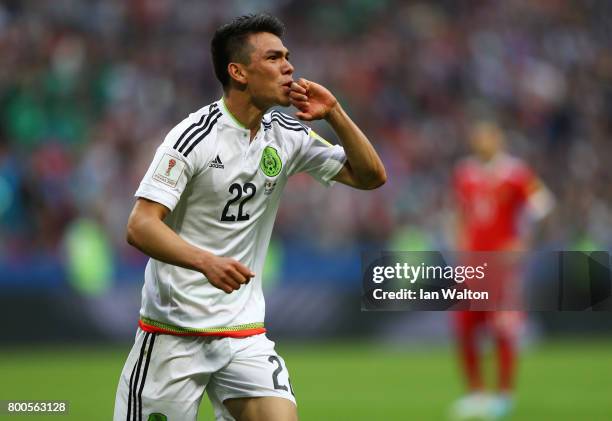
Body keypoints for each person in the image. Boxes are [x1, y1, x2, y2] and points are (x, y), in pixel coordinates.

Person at [113, 13, 386, 421]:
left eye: (287, 56)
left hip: (243, 334)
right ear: (238, 72)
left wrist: (335, 113)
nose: (289, 67)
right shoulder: (194, 137)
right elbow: (140, 224)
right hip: (173, 333)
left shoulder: (286, 134)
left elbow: (370, 177)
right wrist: (206, 261)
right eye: (274, 58)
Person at [450, 121, 554, 420]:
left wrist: (523, 243)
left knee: (503, 329)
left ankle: (505, 395)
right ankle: (475, 393)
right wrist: (461, 247)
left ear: (498, 140)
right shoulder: (465, 173)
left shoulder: (516, 173)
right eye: (477, 136)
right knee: (466, 326)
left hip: (502, 267)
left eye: (486, 136)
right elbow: (460, 214)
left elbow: (543, 207)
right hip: (473, 266)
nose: (481, 142)